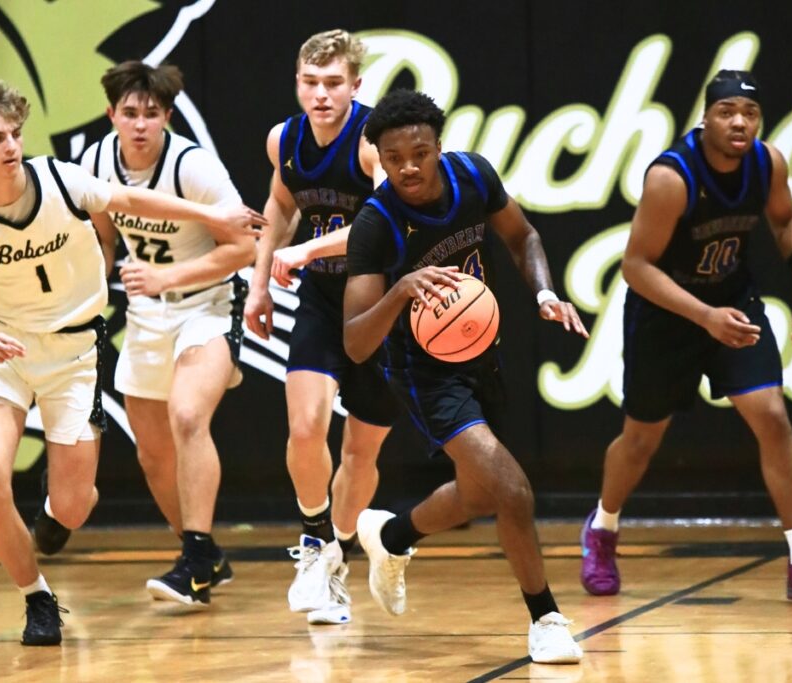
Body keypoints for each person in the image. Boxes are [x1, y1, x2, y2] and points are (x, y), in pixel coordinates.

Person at [0, 80, 264, 645]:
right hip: (0, 350)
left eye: (15, 134)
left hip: (74, 353)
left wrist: (218, 215)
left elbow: (132, 201)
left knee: (74, 507)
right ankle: (37, 598)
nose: (10, 145)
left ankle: (65, 506)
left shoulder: (61, 179)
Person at [579, 70, 792, 602]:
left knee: (771, 415)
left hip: (733, 301)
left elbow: (786, 217)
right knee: (640, 441)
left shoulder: (767, 162)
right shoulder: (671, 178)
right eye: (727, 112)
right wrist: (703, 316)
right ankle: (603, 528)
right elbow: (635, 267)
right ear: (706, 119)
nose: (739, 122)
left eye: (749, 113)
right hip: (667, 314)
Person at [344, 89, 589, 665]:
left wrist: (544, 291)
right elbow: (356, 342)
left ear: (438, 148)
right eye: (393, 156)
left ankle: (393, 536)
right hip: (423, 374)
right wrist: (401, 290)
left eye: (419, 152)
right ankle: (545, 619)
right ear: (378, 156)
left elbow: (522, 235)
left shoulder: (473, 177)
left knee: (480, 493)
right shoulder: (376, 225)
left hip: (480, 351)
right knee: (512, 490)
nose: (407, 165)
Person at [81, 60, 255, 606]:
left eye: (150, 115)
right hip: (146, 315)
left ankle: (196, 561)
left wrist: (167, 276)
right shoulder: (94, 162)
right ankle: (202, 554)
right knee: (153, 455)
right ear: (111, 115)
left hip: (206, 305)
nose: (139, 124)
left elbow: (245, 247)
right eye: (128, 113)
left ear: (167, 118)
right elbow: (104, 240)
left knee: (186, 415)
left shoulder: (194, 167)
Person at [243, 29, 398, 625]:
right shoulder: (284, 138)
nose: (321, 94)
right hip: (321, 299)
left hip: (379, 304)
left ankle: (337, 555)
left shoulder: (370, 143)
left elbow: (383, 224)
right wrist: (259, 283)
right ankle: (313, 542)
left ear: (355, 86)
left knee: (361, 447)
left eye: (333, 83)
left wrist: (304, 252)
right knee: (306, 424)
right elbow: (281, 205)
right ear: (298, 85)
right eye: (311, 83)